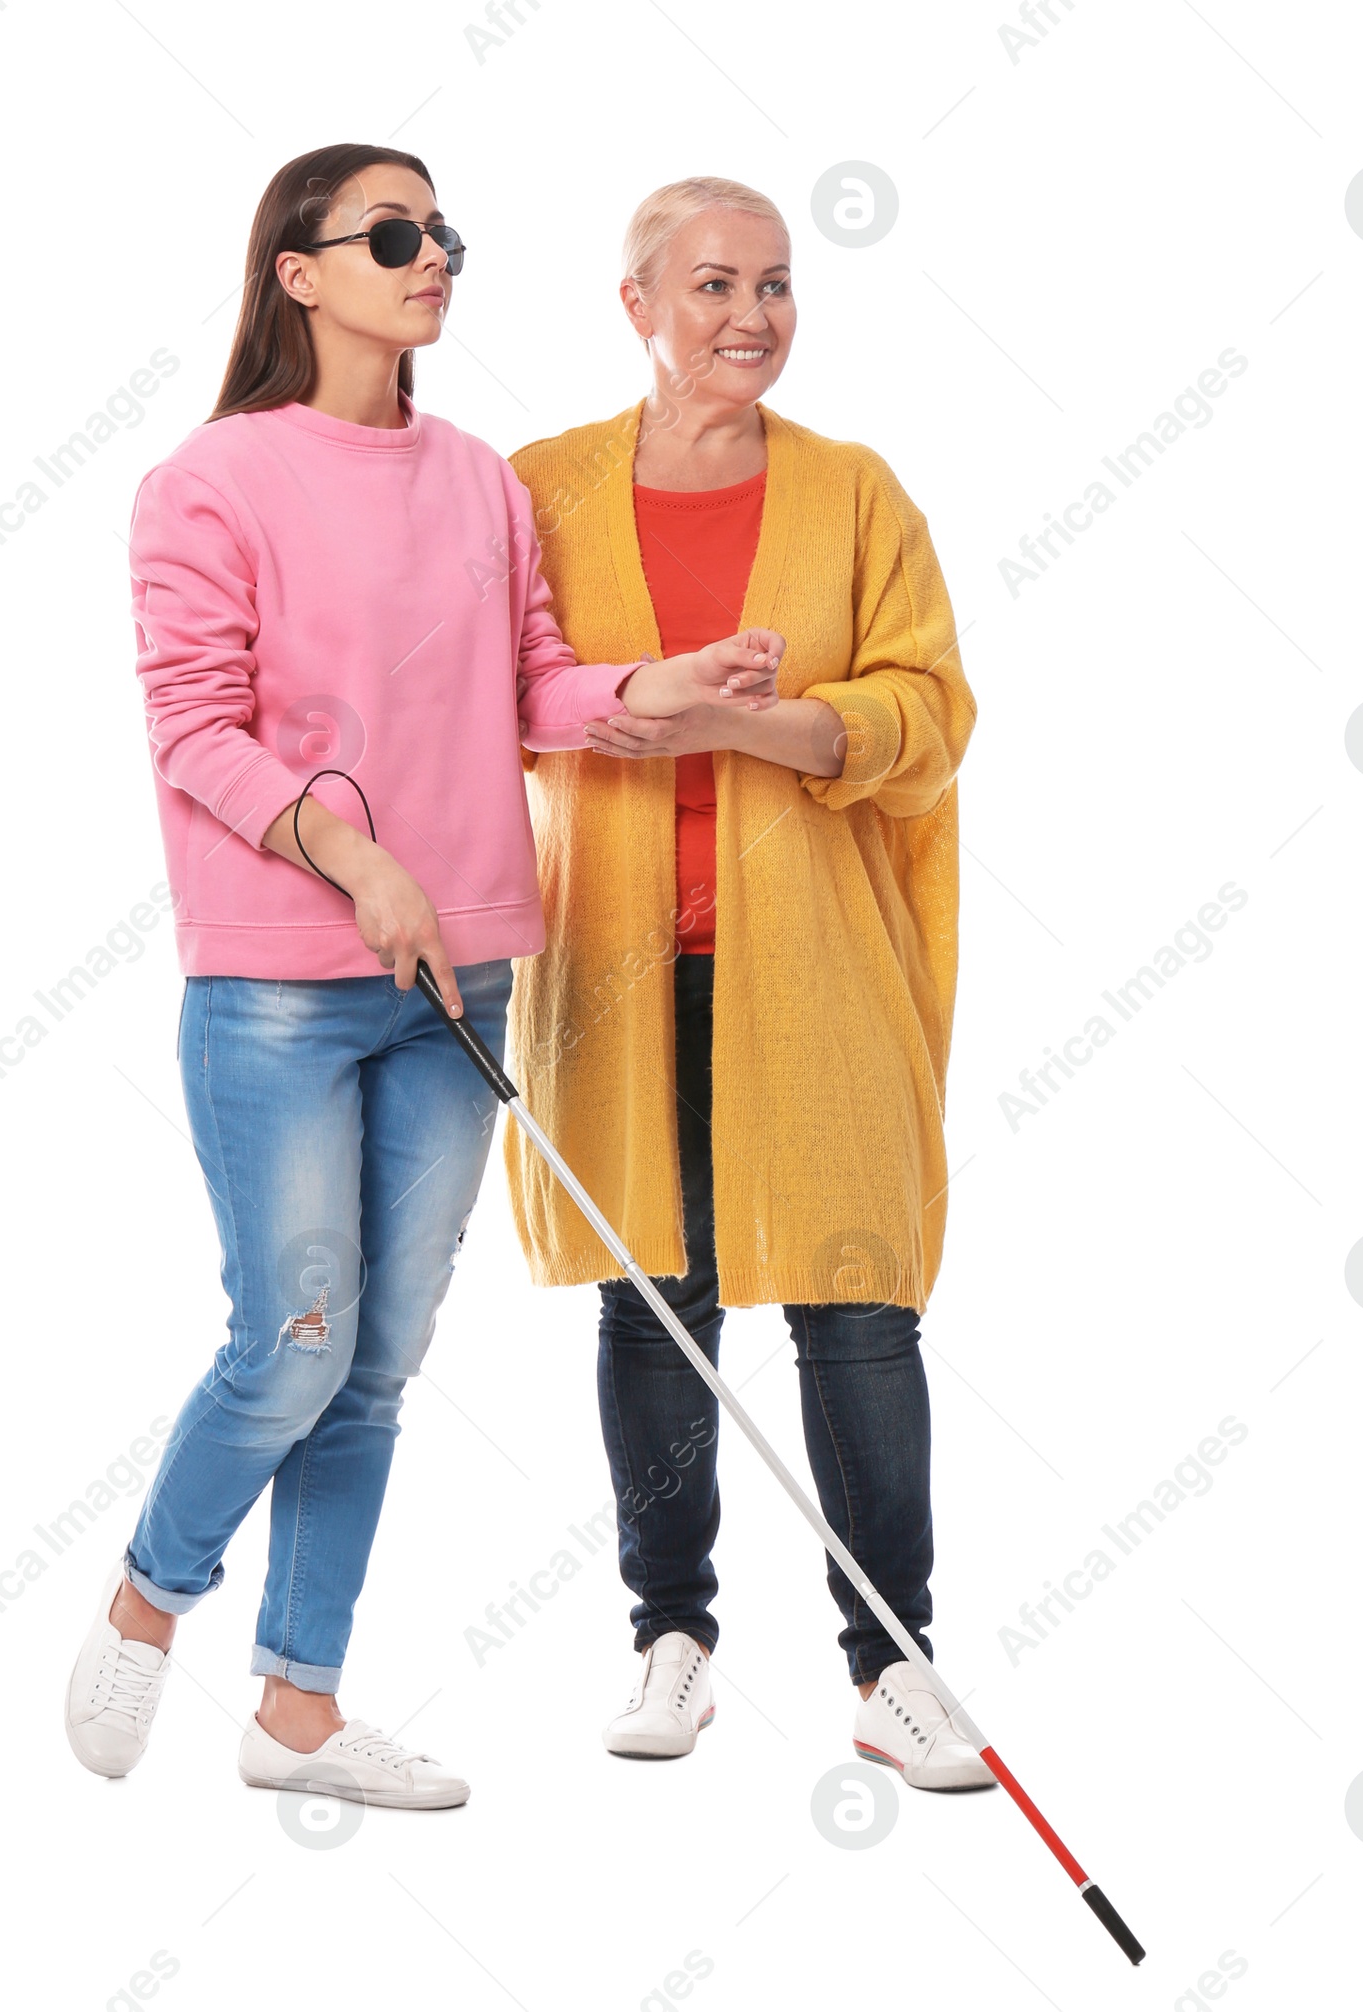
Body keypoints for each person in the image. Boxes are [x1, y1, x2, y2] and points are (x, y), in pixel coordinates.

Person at [63, 144, 781, 1807]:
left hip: (457, 983)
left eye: (443, 228)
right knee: (292, 1343)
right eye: (393, 234)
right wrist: (355, 855)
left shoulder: (477, 476)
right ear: (300, 272)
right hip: (279, 988)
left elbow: (531, 690)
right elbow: (195, 732)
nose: (432, 254)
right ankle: (147, 1598)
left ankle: (297, 1712)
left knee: (376, 1364)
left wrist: (648, 690)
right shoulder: (208, 481)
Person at [501, 177, 989, 1788]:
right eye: (713, 285)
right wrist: (638, 700)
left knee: (857, 1307)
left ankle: (892, 1663)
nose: (752, 318)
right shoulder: (540, 490)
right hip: (618, 978)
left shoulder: (854, 493)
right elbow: (494, 700)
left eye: (777, 286)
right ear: (634, 303)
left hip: (819, 968)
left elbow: (925, 716)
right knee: (657, 1306)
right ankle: (673, 1639)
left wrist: (739, 724)